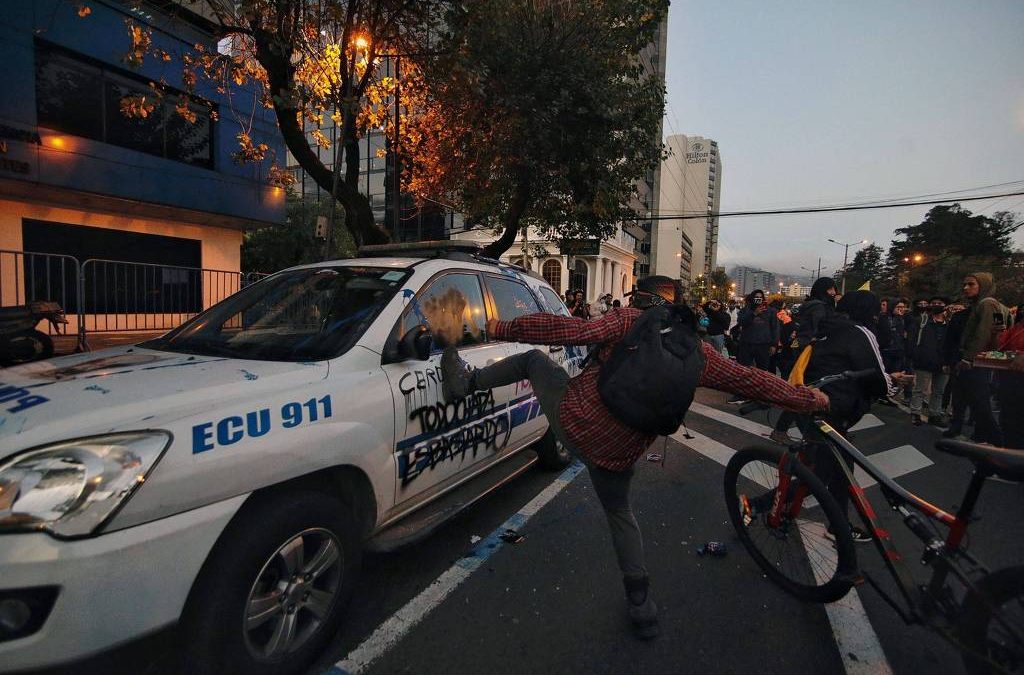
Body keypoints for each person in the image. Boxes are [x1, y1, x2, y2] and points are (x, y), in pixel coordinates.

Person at [440, 275, 829, 640]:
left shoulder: (630, 320)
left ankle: (465, 382)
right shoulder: (701, 353)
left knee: (532, 363)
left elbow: (571, 331)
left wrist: (500, 328)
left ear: (644, 299)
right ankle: (641, 605)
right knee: (620, 515)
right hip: (617, 454)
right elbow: (753, 380)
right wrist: (808, 398)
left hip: (575, 425)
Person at [799, 291, 908, 542]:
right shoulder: (860, 332)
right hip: (838, 409)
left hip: (815, 402)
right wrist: (894, 383)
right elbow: (876, 377)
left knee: (836, 471)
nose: (880, 313)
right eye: (877, 308)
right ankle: (759, 505)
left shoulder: (826, 329)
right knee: (824, 473)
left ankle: (839, 525)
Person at [770, 277, 837, 444]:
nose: (834, 293)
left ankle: (817, 433)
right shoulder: (820, 308)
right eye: (831, 290)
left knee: (805, 391)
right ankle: (786, 430)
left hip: (800, 350)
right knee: (806, 392)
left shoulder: (810, 306)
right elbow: (814, 331)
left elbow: (799, 333)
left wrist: (795, 347)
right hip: (809, 354)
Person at [948, 273, 1010, 444]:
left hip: (976, 363)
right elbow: (999, 329)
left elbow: (982, 334)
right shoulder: (994, 305)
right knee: (971, 400)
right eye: (965, 284)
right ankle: (983, 435)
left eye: (971, 284)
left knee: (980, 403)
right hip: (982, 361)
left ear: (982, 285)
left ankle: (998, 441)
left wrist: (968, 358)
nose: (965, 288)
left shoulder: (986, 304)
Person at [908, 297, 950, 427]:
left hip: (943, 362)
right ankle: (916, 413)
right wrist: (915, 356)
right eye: (934, 303)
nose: (936, 305)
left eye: (940, 303)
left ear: (945, 306)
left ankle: (934, 414)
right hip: (924, 361)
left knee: (938, 391)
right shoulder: (921, 321)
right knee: (920, 389)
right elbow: (911, 340)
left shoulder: (950, 323)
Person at [995, 312, 1024, 448]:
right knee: (1008, 420)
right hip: (1011, 380)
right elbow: (1001, 345)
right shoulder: (1017, 327)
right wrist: (998, 333)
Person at [736, 289, 779, 372]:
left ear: (763, 298)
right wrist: (754, 313)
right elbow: (741, 322)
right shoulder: (745, 310)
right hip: (747, 344)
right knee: (744, 370)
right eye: (756, 297)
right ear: (752, 298)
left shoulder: (770, 311)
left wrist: (774, 345)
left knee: (762, 371)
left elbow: (775, 328)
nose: (758, 299)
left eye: (760, 297)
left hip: (763, 345)